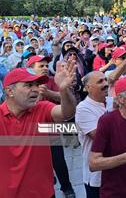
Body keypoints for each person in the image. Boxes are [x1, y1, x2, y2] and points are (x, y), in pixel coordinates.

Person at [0, 61, 77, 198]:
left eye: (37, 85)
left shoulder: (42, 108)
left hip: (44, 193)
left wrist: (64, 90)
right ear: (10, 91)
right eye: (29, 85)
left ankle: (67, 187)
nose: (35, 89)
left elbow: (67, 113)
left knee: (59, 158)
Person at [27, 55, 76, 197]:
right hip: (31, 130)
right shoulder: (25, 85)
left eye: (46, 66)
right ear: (30, 69)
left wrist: (49, 93)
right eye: (40, 66)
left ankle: (67, 187)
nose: (45, 68)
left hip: (51, 127)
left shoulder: (52, 80)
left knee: (58, 159)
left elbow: (64, 98)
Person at [76, 71, 109, 198]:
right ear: (88, 88)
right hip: (97, 177)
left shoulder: (112, 102)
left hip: (116, 172)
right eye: (100, 81)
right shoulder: (83, 108)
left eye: (105, 80)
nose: (106, 84)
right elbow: (99, 138)